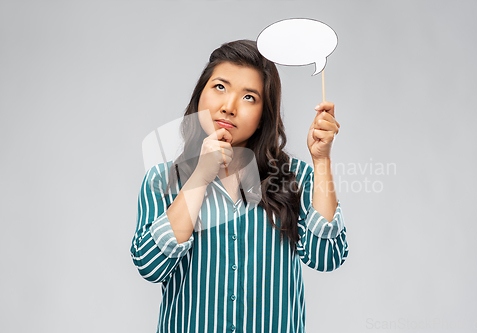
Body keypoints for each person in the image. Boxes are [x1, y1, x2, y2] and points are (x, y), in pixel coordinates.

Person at [130, 39, 348, 333]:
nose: (229, 107)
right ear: (199, 97)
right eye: (220, 87)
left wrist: (321, 160)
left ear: (263, 116)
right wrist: (200, 178)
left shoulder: (294, 176)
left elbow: (327, 256)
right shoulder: (163, 180)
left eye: (249, 97)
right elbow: (150, 266)